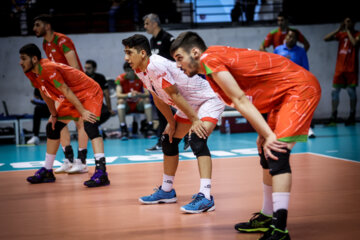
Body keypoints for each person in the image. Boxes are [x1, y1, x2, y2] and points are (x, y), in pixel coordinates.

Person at [170, 31, 321, 239]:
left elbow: (240, 99)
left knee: (277, 152)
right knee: (264, 151)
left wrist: (268, 134)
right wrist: (263, 133)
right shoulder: (213, 61)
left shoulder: (209, 59)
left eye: (179, 58)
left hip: (299, 90)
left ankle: (280, 229)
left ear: (195, 52)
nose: (178, 65)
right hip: (282, 95)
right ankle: (267, 216)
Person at [122, 34, 225, 213]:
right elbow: (158, 97)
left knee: (197, 140)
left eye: (129, 53)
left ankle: (206, 196)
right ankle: (167, 191)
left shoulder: (155, 65)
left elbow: (175, 94)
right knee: (168, 141)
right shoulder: (141, 69)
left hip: (208, 100)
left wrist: (195, 120)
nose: (126, 58)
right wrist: (170, 122)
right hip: (188, 104)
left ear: (143, 53)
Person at [19, 43, 110, 187]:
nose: (20, 62)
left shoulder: (47, 68)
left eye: (23, 59)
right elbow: (44, 93)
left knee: (90, 125)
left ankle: (102, 172)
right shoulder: (31, 72)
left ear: (34, 59)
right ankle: (48, 171)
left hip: (88, 92)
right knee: (52, 127)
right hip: (70, 97)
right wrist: (54, 114)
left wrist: (83, 111)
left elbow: (66, 90)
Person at [33, 14, 88, 174]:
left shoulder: (62, 40)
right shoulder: (45, 43)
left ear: (47, 26)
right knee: (56, 122)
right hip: (61, 89)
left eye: (38, 25)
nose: (34, 28)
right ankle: (68, 160)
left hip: (75, 86)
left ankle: (81, 162)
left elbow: (75, 67)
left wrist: (72, 92)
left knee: (80, 123)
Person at [143, 13, 191, 151]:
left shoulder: (168, 38)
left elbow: (178, 56)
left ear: (154, 23)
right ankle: (162, 140)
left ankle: (188, 138)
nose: (145, 26)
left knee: (182, 108)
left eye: (147, 23)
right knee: (162, 112)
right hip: (158, 83)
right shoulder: (152, 41)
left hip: (172, 81)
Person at [274, 30, 315, 138]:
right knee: (283, 108)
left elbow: (306, 68)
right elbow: (274, 67)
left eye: (293, 37)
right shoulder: (278, 50)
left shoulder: (301, 51)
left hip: (298, 84)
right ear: (285, 37)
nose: (290, 38)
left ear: (296, 39)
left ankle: (307, 129)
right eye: (289, 36)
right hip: (282, 84)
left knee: (301, 106)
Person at [324, 16, 359, 126]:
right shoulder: (341, 34)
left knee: (351, 92)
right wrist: (338, 30)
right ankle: (333, 116)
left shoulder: (357, 34)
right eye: (345, 22)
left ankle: (352, 116)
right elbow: (326, 39)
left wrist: (348, 31)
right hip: (340, 69)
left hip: (351, 69)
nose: (347, 24)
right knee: (334, 92)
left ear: (353, 23)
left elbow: (354, 44)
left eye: (349, 22)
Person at [115, 62, 154, 139]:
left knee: (147, 100)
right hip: (127, 105)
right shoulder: (120, 79)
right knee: (120, 101)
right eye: (127, 71)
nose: (129, 73)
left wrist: (138, 94)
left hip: (138, 104)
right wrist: (129, 95)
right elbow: (118, 95)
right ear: (125, 71)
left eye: (131, 70)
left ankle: (150, 128)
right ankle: (124, 129)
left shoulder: (141, 77)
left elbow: (147, 93)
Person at [84, 59, 115, 126]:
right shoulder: (82, 76)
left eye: (89, 68)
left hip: (97, 103)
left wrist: (109, 109)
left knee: (107, 113)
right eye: (85, 68)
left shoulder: (100, 77)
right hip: (84, 102)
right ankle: (89, 127)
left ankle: (93, 126)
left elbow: (106, 94)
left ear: (94, 69)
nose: (86, 70)